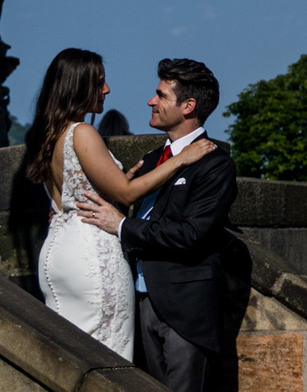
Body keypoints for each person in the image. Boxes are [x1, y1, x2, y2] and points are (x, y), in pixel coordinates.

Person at [77, 58, 240, 392]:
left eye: (160, 95)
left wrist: (122, 227)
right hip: (140, 301)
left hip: (185, 310)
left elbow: (191, 234)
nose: (151, 101)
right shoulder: (153, 159)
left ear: (188, 106)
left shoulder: (215, 164)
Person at [17, 48, 209, 359]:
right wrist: (181, 159)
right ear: (78, 86)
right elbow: (126, 194)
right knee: (106, 354)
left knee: (66, 353)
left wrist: (124, 175)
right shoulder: (83, 132)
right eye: (100, 83)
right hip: (91, 251)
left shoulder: (49, 135)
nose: (106, 90)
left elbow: (81, 188)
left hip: (57, 251)